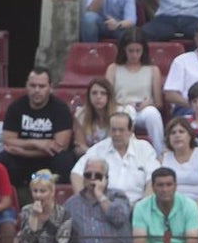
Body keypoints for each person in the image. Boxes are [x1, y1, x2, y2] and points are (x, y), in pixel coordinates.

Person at [0, 68, 75, 188]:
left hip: (48, 159)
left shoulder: (60, 109)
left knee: (64, 160)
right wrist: (37, 143)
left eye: (41, 86)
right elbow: (8, 140)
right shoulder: (16, 107)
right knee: (3, 159)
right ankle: (13, 199)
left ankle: (57, 201)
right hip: (22, 160)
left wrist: (24, 151)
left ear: (50, 87)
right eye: (33, 86)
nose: (36, 90)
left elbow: (59, 147)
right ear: (26, 86)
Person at [64, 158, 133, 243]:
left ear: (106, 178)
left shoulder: (118, 196)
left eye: (98, 176)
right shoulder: (72, 203)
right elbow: (63, 231)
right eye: (88, 175)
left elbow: (119, 218)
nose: (92, 178)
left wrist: (100, 195)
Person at [128, 167, 198, 243]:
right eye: (160, 185)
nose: (165, 189)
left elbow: (192, 242)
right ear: (153, 187)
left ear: (175, 186)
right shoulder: (141, 206)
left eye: (169, 184)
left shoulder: (190, 205)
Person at [71, 112, 160, 204]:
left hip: (136, 206)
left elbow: (154, 179)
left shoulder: (144, 149)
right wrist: (85, 203)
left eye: (121, 130)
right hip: (104, 207)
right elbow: (76, 174)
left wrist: (142, 207)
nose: (117, 134)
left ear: (130, 131)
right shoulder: (98, 149)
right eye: (113, 130)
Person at [105, 28, 165, 156]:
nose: (134, 55)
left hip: (143, 109)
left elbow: (158, 103)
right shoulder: (113, 69)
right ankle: (127, 152)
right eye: (130, 51)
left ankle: (160, 153)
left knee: (153, 114)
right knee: (128, 111)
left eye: (138, 51)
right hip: (120, 109)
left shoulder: (153, 70)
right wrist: (124, 104)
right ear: (124, 50)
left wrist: (148, 104)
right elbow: (108, 98)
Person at [158, 117, 198, 206]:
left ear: (190, 135)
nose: (177, 135)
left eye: (181, 131)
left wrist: (194, 207)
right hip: (171, 207)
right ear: (168, 138)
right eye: (173, 133)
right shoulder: (164, 158)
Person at [72, 78, 114, 157]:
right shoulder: (81, 114)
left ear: (109, 96)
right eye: (94, 93)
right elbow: (79, 148)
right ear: (89, 96)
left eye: (103, 93)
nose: (98, 97)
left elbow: (112, 148)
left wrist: (88, 150)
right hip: (89, 160)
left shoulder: (120, 113)